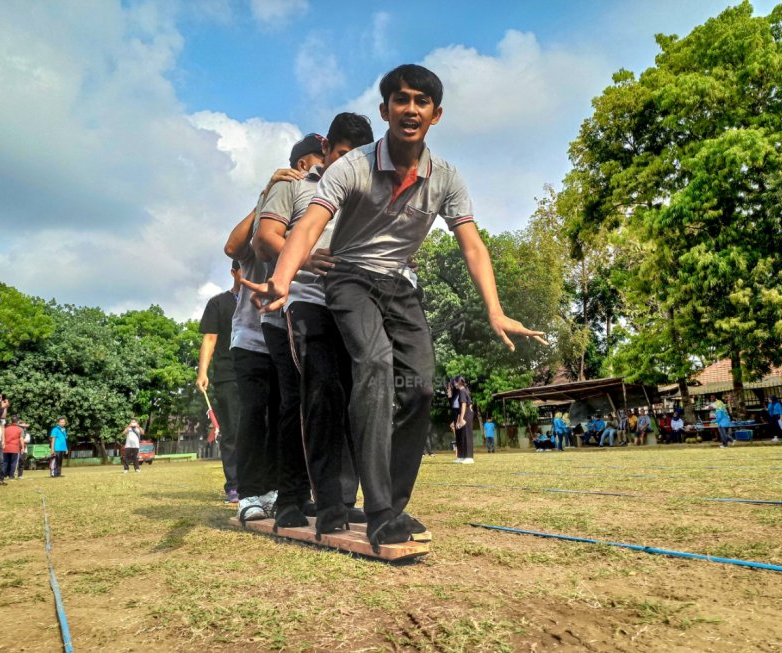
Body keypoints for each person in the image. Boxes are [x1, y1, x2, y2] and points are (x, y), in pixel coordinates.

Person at [246, 64, 544, 550]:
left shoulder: (446, 177)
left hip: (399, 284)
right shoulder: (352, 167)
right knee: (373, 366)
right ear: (385, 110)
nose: (410, 109)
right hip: (349, 278)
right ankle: (375, 509)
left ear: (436, 114)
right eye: (401, 100)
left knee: (421, 387)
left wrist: (495, 309)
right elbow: (307, 227)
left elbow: (472, 245)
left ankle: (394, 503)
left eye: (421, 102)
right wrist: (282, 278)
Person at [255, 117, 375, 531]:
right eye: (342, 155)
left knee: (351, 401)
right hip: (304, 300)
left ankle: (339, 499)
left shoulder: (364, 195)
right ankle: (290, 497)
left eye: (357, 157)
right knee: (305, 399)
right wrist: (303, 258)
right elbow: (264, 238)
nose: (348, 164)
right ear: (326, 152)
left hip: (353, 304)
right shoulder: (295, 185)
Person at [224, 163, 307, 522]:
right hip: (252, 339)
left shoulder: (303, 231)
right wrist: (265, 194)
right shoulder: (262, 234)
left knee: (282, 413)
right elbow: (231, 246)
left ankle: (273, 488)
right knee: (255, 414)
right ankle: (248, 493)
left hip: (285, 336)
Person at [197, 259, 244, 502]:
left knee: (262, 428)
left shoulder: (263, 298)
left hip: (257, 371)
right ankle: (234, 485)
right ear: (233, 272)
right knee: (232, 430)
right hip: (227, 375)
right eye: (243, 268)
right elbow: (210, 339)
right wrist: (202, 372)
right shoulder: (218, 303)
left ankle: (264, 483)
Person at [453, 377, 474, 464]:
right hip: (464, 413)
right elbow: (460, 407)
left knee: (466, 435)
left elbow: (464, 405)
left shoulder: (462, 391)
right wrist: (458, 419)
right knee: (462, 435)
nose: (454, 384)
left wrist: (461, 418)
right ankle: (462, 456)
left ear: (459, 382)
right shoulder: (463, 390)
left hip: (466, 413)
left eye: (455, 382)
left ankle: (469, 457)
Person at [2, 416, 26, 480]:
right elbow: (21, 439)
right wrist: (23, 448)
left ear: (11, 421)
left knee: (5, 462)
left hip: (5, 448)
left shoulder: (6, 429)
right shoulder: (20, 429)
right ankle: (11, 476)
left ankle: (4, 475)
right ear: (18, 421)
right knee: (14, 463)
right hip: (15, 448)